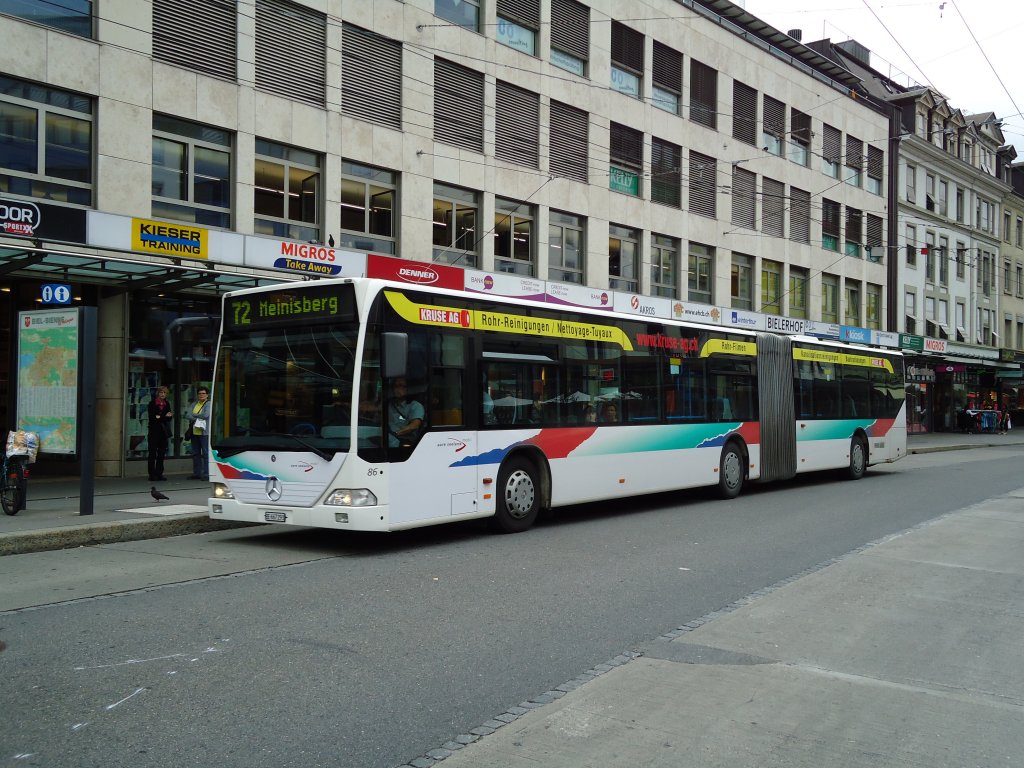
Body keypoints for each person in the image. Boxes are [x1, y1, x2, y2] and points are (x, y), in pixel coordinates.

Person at [386, 378, 424, 447]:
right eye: (395, 386)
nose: (397, 389)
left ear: (408, 389)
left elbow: (414, 426)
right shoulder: (389, 405)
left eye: (401, 386)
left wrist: (395, 434)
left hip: (402, 440)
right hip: (386, 438)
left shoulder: (415, 406)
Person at [147, 386, 172, 481]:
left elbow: (169, 418)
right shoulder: (152, 404)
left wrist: (161, 417)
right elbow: (153, 418)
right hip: (154, 431)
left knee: (161, 454)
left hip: (163, 432)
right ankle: (151, 474)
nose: (162, 394)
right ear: (158, 393)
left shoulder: (167, 404)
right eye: (161, 392)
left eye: (164, 393)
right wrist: (164, 416)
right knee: (152, 453)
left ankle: (159, 473)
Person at [186, 386, 211, 480]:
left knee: (205, 453)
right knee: (196, 453)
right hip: (194, 432)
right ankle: (197, 473)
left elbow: (206, 415)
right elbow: (187, 415)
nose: (201, 395)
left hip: (204, 432)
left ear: (207, 395)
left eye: (203, 393)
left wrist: (194, 415)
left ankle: (206, 474)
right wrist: (197, 417)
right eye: (200, 393)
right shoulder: (194, 404)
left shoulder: (208, 404)